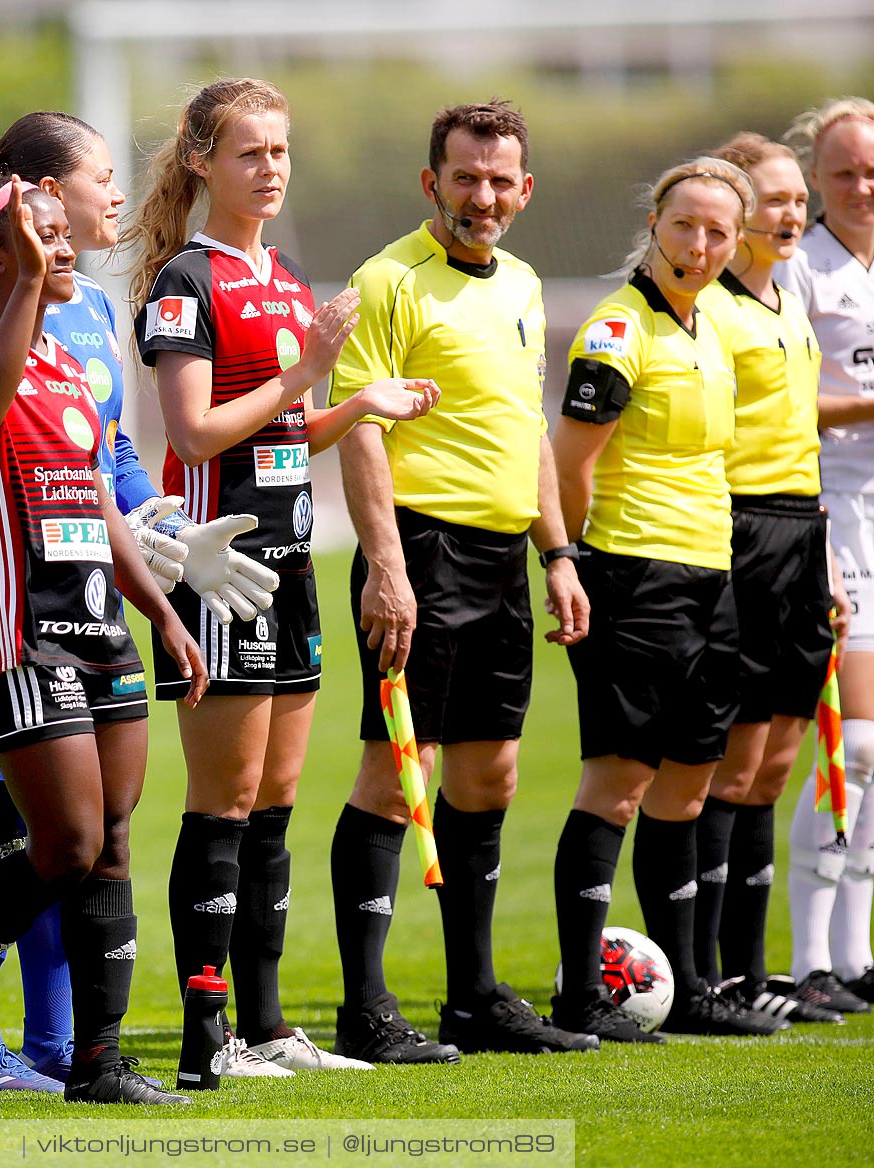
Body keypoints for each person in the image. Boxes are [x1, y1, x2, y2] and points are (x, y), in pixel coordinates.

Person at [0, 111, 275, 1095]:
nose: (114, 197)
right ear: (34, 200)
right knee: (13, 826)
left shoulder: (87, 311)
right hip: (4, 609)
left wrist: (161, 532)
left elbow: (103, 453)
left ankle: (66, 1048)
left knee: (92, 837)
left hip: (97, 603)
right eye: (99, 176)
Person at [123, 77, 438, 1076]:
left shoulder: (287, 273)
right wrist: (307, 376)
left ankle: (266, 1026)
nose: (270, 168)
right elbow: (194, 432)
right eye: (250, 152)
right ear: (203, 162)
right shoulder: (187, 282)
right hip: (220, 566)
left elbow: (286, 436)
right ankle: (204, 1037)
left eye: (281, 151)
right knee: (222, 798)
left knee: (276, 797)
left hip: (293, 560)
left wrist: (356, 404)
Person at [0, 165, 205, 1107]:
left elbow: (97, 503)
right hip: (18, 634)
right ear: (0, 250)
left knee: (110, 842)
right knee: (60, 844)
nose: (69, 248)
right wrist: (22, 282)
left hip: (99, 628)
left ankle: (97, 1061)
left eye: (63, 234)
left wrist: (164, 614)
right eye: (46, 234)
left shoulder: (65, 363)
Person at [328, 100, 597, 1059]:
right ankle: (365, 1012)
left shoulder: (521, 283)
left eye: (499, 180)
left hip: (503, 560)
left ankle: (475, 999)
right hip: (420, 549)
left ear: (524, 189)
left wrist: (557, 553)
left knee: (492, 776)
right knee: (402, 773)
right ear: (431, 180)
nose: (482, 196)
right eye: (465, 177)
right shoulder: (386, 281)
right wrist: (388, 570)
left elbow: (527, 433)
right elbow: (361, 428)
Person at [548, 155, 781, 1041]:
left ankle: (687, 990)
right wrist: (570, 562)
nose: (701, 243)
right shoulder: (618, 329)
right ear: (655, 223)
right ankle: (580, 998)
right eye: (685, 224)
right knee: (618, 786)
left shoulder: (712, 326)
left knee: (689, 788)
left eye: (719, 230)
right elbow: (570, 464)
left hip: (711, 579)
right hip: (634, 577)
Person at [690, 131, 844, 1026]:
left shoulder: (789, 301)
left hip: (802, 530)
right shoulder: (712, 310)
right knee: (732, 761)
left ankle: (756, 974)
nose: (790, 215)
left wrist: (822, 552)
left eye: (796, 200)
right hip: (740, 533)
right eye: (773, 201)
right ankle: (707, 972)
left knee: (778, 761)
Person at [779, 97, 874, 1013]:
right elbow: (781, 408)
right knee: (857, 739)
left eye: (872, 172)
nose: (860, 187)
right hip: (837, 512)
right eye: (843, 172)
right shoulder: (802, 271)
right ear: (816, 177)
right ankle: (812, 958)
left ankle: (857, 955)